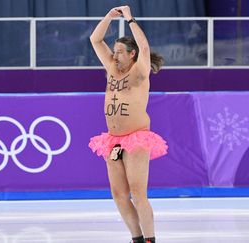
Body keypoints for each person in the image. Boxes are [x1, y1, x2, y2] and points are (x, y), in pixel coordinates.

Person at [88, 5, 168, 243]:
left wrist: (130, 19)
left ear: (131, 54)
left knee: (137, 193)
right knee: (119, 194)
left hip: (136, 139)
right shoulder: (111, 68)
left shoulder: (140, 72)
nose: (115, 55)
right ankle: (137, 238)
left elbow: (144, 46)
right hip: (113, 143)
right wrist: (109, 17)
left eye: (120, 51)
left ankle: (151, 240)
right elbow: (95, 39)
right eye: (114, 51)